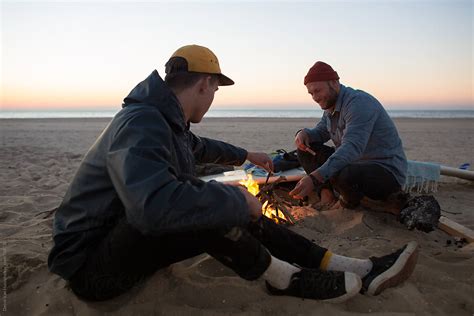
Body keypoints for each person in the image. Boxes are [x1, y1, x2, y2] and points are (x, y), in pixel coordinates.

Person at [48, 45, 418, 303]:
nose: (212, 98)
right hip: (91, 269)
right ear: (206, 84)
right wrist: (235, 197)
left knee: (204, 201)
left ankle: (347, 265)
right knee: (204, 204)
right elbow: (152, 208)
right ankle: (284, 279)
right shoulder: (142, 123)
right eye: (214, 91)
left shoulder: (162, 120)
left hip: (118, 244)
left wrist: (246, 155)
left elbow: (199, 148)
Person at [290, 61, 407, 212]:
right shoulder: (330, 106)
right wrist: (302, 133)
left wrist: (314, 178)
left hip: (384, 172)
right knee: (306, 150)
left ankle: (348, 204)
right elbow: (320, 132)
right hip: (354, 164)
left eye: (318, 91)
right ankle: (327, 196)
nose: (315, 97)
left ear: (334, 83)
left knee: (344, 172)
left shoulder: (358, 103)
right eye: (311, 93)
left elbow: (352, 148)